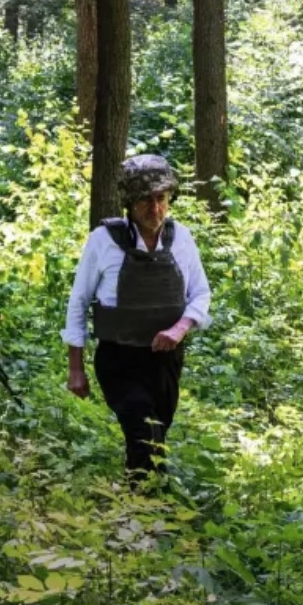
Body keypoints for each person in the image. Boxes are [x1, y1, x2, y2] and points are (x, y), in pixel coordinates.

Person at [64, 154, 212, 476]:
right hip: (120, 358)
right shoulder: (103, 242)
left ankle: (138, 506)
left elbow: (201, 294)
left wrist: (181, 328)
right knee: (144, 435)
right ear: (130, 202)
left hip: (166, 359)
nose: (155, 208)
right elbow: (79, 302)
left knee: (156, 436)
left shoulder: (181, 238)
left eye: (161, 199)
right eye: (145, 200)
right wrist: (76, 368)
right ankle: (147, 513)